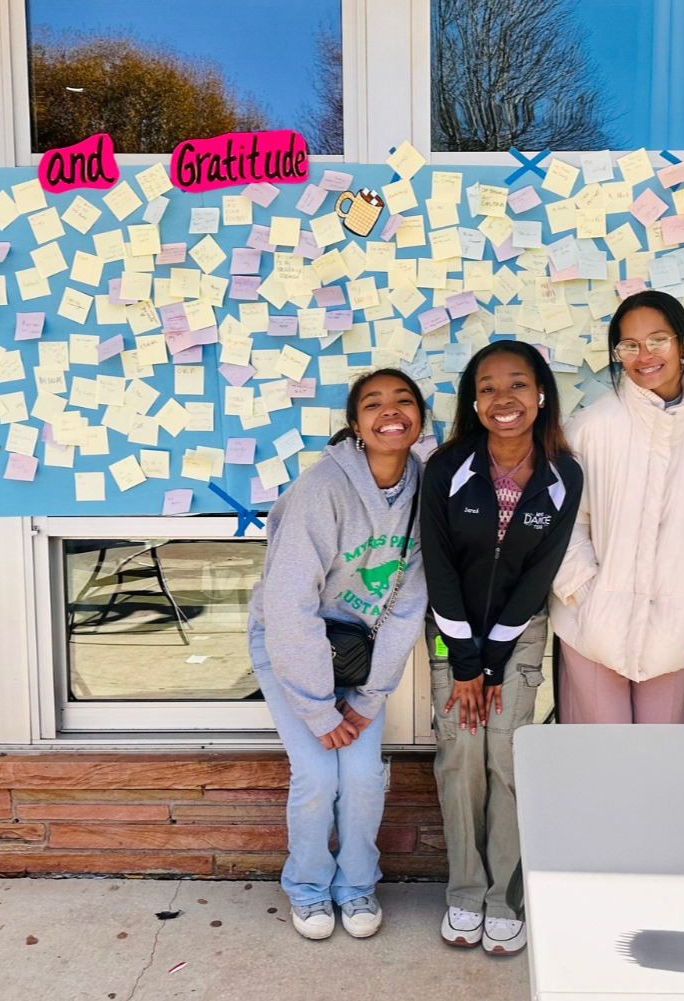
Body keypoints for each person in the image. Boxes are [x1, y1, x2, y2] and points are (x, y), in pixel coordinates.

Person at [247, 369, 429, 940]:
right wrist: (320, 710)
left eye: (403, 401)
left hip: (359, 652)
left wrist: (370, 698)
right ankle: (307, 888)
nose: (389, 412)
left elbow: (407, 606)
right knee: (319, 774)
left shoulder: (426, 490)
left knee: (365, 776)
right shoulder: (322, 488)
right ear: (355, 425)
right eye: (373, 404)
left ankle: (356, 888)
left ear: (420, 418)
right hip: (292, 644)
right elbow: (288, 605)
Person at [421, 341, 582, 956]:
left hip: (519, 636)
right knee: (462, 757)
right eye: (487, 387)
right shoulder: (446, 467)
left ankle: (504, 900)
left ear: (541, 394)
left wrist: (492, 662)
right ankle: (465, 893)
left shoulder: (564, 473)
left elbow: (540, 575)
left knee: (506, 762)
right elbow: (440, 569)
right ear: (473, 401)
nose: (502, 398)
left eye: (517, 384)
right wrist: (466, 663)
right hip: (452, 633)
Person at [550, 291, 684, 724]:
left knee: (662, 757)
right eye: (630, 345)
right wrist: (592, 598)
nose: (645, 355)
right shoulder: (591, 426)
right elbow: (563, 524)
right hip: (591, 629)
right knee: (601, 755)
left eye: (658, 340)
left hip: (672, 626)